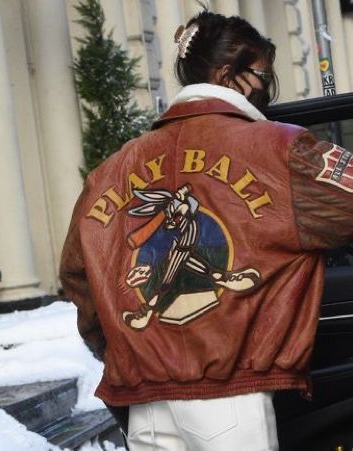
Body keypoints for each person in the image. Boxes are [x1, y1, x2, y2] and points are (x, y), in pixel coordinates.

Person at [60, 8, 353, 451]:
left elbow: (79, 277)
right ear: (227, 73)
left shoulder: (110, 171)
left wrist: (124, 347)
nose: (265, 88)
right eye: (262, 74)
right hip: (231, 395)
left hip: (145, 403)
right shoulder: (282, 151)